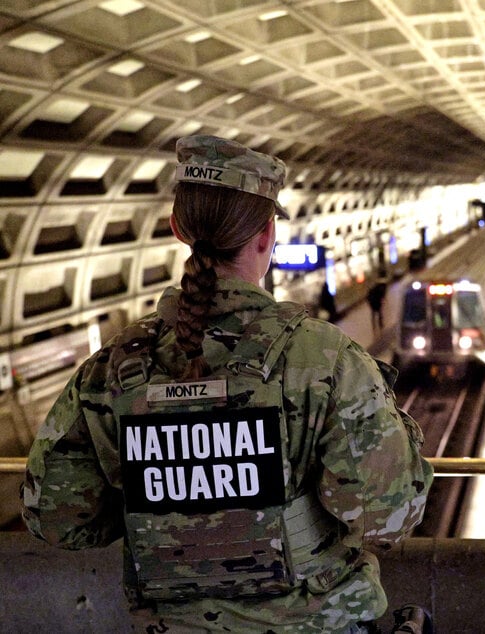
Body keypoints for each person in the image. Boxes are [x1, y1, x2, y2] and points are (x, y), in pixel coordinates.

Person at [21, 135, 434, 633]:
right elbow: (387, 516)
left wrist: (163, 509)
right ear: (266, 235)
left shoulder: (109, 370)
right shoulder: (324, 359)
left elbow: (57, 518)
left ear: (177, 228)